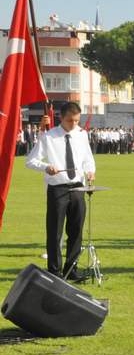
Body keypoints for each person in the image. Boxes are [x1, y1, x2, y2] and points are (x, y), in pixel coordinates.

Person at [26, 101, 96, 282]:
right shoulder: (49, 137)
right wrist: (46, 166)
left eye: (76, 121)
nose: (74, 124)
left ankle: (71, 269)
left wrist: (90, 170)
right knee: (55, 231)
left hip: (78, 187)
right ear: (61, 118)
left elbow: (88, 158)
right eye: (70, 121)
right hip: (58, 188)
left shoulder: (82, 135)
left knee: (76, 231)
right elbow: (31, 161)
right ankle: (54, 271)